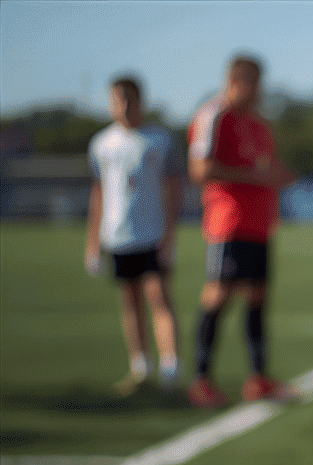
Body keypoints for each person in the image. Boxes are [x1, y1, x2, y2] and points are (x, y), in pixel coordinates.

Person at [186, 55, 297, 408]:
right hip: (228, 223)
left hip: (259, 225)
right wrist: (257, 177)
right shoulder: (214, 115)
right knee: (218, 295)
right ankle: (201, 380)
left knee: (257, 298)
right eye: (251, 82)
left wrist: (281, 177)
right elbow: (200, 169)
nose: (257, 90)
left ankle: (258, 378)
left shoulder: (261, 125)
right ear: (235, 80)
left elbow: (270, 167)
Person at [85, 76, 183, 395]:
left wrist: (170, 237)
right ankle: (140, 368)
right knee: (130, 304)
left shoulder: (159, 140)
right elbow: (98, 194)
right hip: (118, 237)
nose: (125, 105)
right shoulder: (101, 144)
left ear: (142, 101)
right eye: (118, 99)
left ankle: (171, 370)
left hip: (152, 235)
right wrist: (93, 244)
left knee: (159, 299)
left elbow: (174, 191)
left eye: (131, 98)